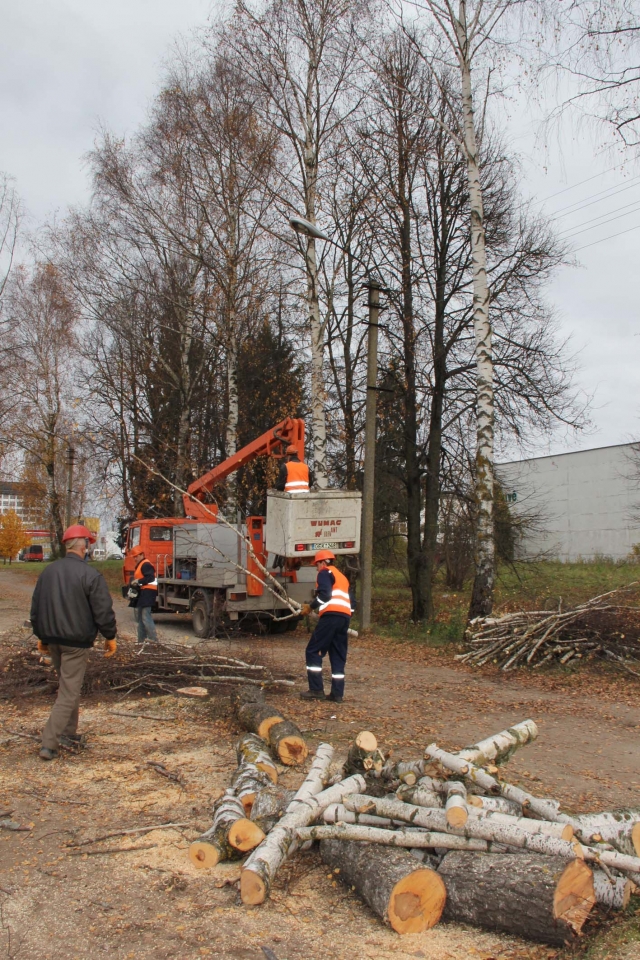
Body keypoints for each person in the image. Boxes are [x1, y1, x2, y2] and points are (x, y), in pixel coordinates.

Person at [30, 524, 118, 761]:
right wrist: (110, 636)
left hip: (54, 640)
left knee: (69, 687)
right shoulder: (90, 575)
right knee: (68, 692)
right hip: (76, 643)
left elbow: (36, 609)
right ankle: (49, 744)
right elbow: (103, 611)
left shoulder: (48, 572)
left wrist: (42, 636)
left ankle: (68, 733)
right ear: (84, 546)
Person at [299, 549, 353, 703]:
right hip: (344, 618)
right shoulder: (342, 577)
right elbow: (352, 602)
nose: (316, 568)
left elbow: (325, 595)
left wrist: (311, 607)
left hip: (330, 617)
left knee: (313, 650)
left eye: (316, 564)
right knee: (337, 654)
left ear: (323, 562)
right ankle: (337, 694)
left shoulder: (324, 572)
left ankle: (316, 690)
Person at [129, 545, 159, 645]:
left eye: (136, 556)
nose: (135, 558)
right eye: (134, 557)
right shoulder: (141, 564)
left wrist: (139, 581)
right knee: (141, 619)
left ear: (142, 555)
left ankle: (154, 641)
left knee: (145, 617)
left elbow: (150, 578)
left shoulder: (146, 564)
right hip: (144, 592)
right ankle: (141, 641)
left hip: (148, 592)